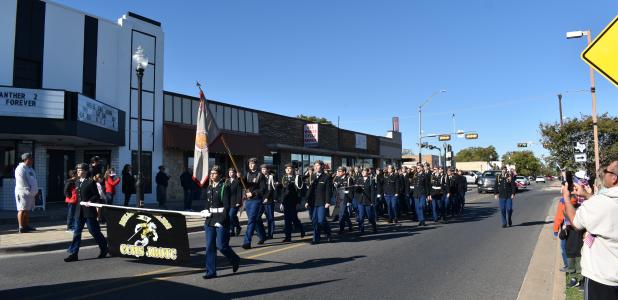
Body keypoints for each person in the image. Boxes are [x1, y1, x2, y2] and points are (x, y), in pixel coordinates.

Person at [562, 161, 618, 298]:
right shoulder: (600, 202)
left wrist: (566, 198)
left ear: (614, 178)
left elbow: (575, 222)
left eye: (607, 172)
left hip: (602, 278)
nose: (604, 175)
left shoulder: (599, 203)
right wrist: (588, 196)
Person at [200, 166, 240, 279]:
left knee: (222, 246)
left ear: (220, 175)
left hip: (221, 218)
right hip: (210, 219)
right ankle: (211, 272)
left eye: (214, 173)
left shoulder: (224, 187)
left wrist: (221, 221)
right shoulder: (209, 187)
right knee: (209, 247)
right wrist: (205, 211)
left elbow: (227, 206)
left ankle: (235, 259)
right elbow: (207, 203)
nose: (212, 175)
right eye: (211, 173)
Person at [64, 163, 108, 262]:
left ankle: (104, 248)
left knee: (94, 231)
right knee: (76, 233)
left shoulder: (90, 182)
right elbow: (67, 191)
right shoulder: (77, 182)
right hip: (79, 211)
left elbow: (96, 195)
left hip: (89, 211)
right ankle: (73, 254)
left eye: (80, 170)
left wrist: (90, 201)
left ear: (85, 171)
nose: (78, 172)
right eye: (77, 170)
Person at [304, 160, 333, 245]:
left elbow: (328, 191)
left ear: (322, 166)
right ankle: (316, 239)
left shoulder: (326, 177)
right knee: (314, 220)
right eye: (315, 166)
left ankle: (328, 233)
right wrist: (306, 201)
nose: (316, 167)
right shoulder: (312, 176)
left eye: (318, 165)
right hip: (313, 202)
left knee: (321, 221)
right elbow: (309, 190)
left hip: (322, 202)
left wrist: (328, 201)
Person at [242, 158, 267, 249]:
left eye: (253, 164)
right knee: (255, 219)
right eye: (250, 164)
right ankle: (262, 235)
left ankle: (247, 242)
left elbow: (263, 189)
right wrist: (239, 177)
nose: (251, 165)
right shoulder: (247, 174)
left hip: (256, 200)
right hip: (248, 201)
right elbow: (242, 184)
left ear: (256, 165)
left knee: (251, 220)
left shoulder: (260, 175)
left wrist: (253, 193)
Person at [279, 163, 306, 242]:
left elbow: (299, 190)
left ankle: (301, 229)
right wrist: (281, 202)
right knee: (287, 220)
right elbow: (282, 191)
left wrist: (298, 201)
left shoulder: (296, 177)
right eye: (286, 168)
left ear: (292, 170)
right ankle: (288, 237)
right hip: (286, 201)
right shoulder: (283, 178)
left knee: (294, 219)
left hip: (294, 201)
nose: (288, 170)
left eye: (289, 168)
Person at [14, 153, 38, 233]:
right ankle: (21, 227)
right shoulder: (20, 168)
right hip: (23, 192)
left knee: (27, 210)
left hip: (30, 193)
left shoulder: (30, 168)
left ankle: (26, 226)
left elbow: (34, 180)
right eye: (30, 159)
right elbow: (22, 181)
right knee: (21, 209)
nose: (32, 160)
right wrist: (28, 190)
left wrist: (34, 191)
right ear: (26, 159)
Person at [356, 168, 377, 234]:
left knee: (370, 216)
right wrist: (357, 188)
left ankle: (374, 226)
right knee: (361, 216)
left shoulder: (371, 180)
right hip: (360, 200)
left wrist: (372, 201)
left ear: (367, 172)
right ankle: (361, 230)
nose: (363, 173)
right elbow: (356, 191)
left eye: (364, 171)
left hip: (368, 201)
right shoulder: (359, 179)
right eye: (362, 172)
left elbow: (373, 192)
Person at [334, 166, 353, 234]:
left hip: (345, 199)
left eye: (340, 171)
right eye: (338, 171)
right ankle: (350, 225)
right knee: (345, 214)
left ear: (344, 172)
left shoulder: (348, 179)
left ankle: (341, 229)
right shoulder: (337, 178)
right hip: (339, 198)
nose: (338, 172)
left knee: (341, 214)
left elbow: (351, 190)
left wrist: (349, 201)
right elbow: (335, 187)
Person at [260, 164, 277, 239]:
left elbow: (271, 189)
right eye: (262, 169)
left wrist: (267, 197)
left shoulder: (271, 177)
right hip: (260, 200)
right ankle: (261, 232)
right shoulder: (259, 177)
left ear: (268, 170)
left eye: (264, 169)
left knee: (270, 217)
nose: (263, 171)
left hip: (269, 200)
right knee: (257, 217)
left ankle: (270, 233)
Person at [226, 168, 243, 237]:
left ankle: (231, 229)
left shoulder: (237, 181)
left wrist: (238, 201)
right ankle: (237, 227)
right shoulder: (227, 181)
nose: (230, 173)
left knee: (231, 215)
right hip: (228, 202)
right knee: (232, 216)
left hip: (235, 202)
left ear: (235, 173)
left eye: (232, 172)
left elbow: (239, 192)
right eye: (229, 172)